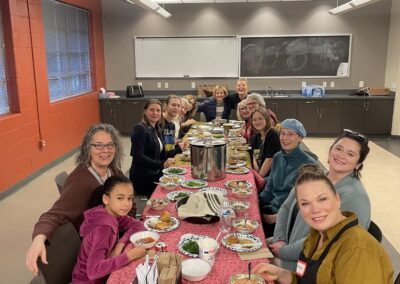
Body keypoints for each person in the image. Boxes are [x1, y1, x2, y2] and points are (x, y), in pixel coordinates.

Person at [252, 167, 394, 283]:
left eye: (322, 199)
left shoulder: (357, 250)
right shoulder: (315, 236)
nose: (315, 210)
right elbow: (305, 277)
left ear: (337, 199)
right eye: (305, 203)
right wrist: (280, 274)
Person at [26, 123, 125, 275]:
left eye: (110, 145)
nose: (105, 150)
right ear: (88, 149)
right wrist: (39, 238)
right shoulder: (80, 181)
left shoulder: (112, 170)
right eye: (98, 145)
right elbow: (53, 215)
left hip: (116, 235)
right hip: (98, 250)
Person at [269, 129, 372, 271]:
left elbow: (325, 240)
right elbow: (286, 207)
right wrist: (279, 239)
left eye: (350, 154)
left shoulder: (354, 197)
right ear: (330, 151)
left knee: (256, 265)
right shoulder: (317, 178)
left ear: (358, 164)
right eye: (339, 148)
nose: (341, 155)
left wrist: (283, 252)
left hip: (313, 265)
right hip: (288, 245)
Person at [72, 176, 146, 283]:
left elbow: (138, 225)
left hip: (102, 276)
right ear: (106, 199)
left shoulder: (111, 213)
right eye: (120, 198)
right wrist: (129, 256)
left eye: (129, 198)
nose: (126, 204)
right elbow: (93, 271)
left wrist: (119, 245)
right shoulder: (104, 228)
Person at [259, 119, 316, 237]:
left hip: (288, 220)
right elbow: (269, 187)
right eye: (283, 133)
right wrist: (256, 202)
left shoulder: (309, 165)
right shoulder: (277, 157)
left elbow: (302, 204)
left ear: (300, 138)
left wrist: (276, 218)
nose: (285, 138)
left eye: (290, 134)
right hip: (272, 208)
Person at [129, 99, 177, 198]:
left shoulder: (157, 129)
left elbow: (163, 154)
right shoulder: (140, 129)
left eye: (158, 110)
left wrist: (179, 149)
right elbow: (138, 156)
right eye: (151, 110)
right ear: (145, 111)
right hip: (143, 177)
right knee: (171, 191)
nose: (155, 113)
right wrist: (161, 164)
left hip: (154, 173)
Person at [249, 108, 281, 178]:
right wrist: (257, 174)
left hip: (271, 176)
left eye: (260, 119)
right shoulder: (256, 137)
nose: (257, 122)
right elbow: (255, 158)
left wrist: (259, 178)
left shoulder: (272, 133)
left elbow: (269, 160)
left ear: (266, 119)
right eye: (254, 120)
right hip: (260, 172)